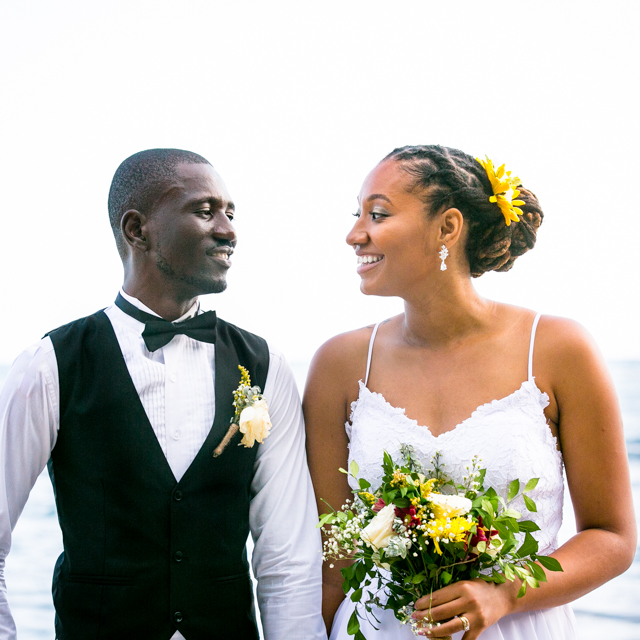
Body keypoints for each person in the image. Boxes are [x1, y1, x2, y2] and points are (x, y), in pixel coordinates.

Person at [303, 145, 636, 639]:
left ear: (447, 227)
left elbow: (612, 537)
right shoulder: (339, 365)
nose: (355, 234)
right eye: (357, 215)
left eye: (378, 214)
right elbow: (334, 560)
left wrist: (505, 592)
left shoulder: (558, 349)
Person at [0, 149, 326, 640]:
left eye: (231, 213)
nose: (228, 230)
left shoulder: (265, 366)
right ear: (137, 230)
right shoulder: (49, 366)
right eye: (205, 211)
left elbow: (287, 560)